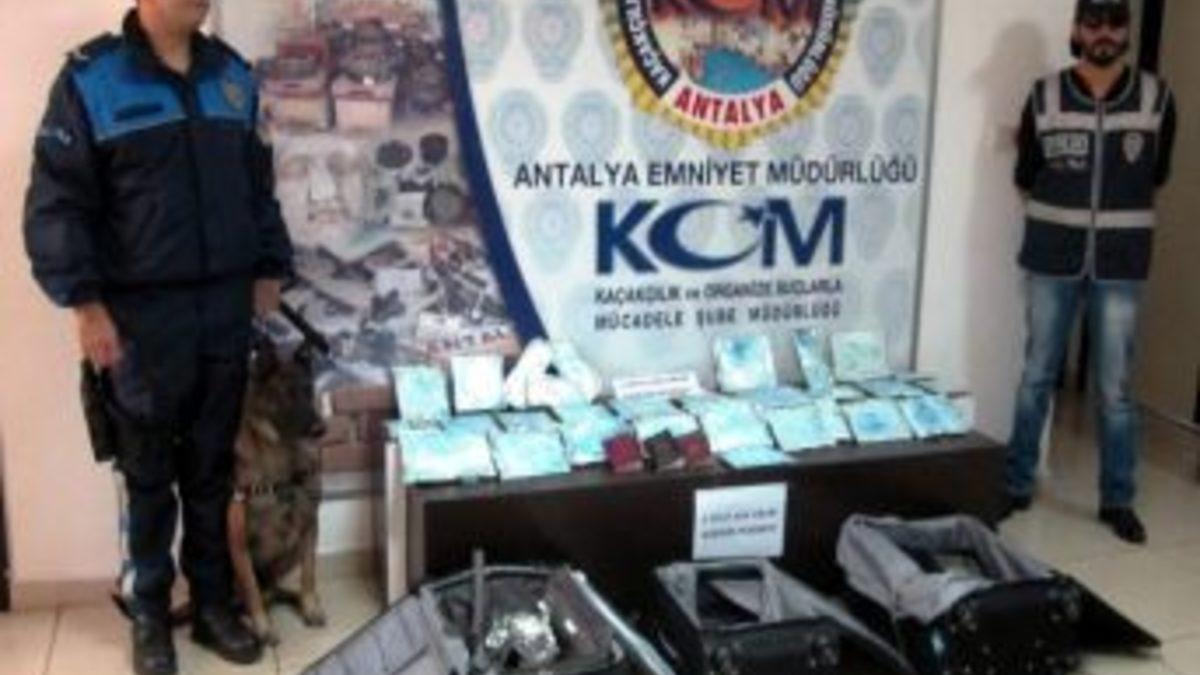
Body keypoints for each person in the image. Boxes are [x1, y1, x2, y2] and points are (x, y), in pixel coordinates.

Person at [23, 1, 294, 672]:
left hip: (223, 312)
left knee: (210, 472)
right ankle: (148, 613)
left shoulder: (232, 79)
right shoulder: (92, 81)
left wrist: (269, 266)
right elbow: (57, 205)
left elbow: (258, 187)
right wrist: (86, 306)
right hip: (140, 324)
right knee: (146, 478)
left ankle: (211, 605)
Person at [1003, 0, 1176, 545]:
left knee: (1114, 388)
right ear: (1078, 29)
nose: (1104, 33)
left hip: (1120, 262)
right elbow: (1026, 174)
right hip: (1051, 257)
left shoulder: (1156, 98)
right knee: (1037, 376)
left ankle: (1117, 500)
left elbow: (1157, 174)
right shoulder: (1045, 96)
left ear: (1126, 31)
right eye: (1093, 22)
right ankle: (1016, 484)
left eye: (1115, 23)